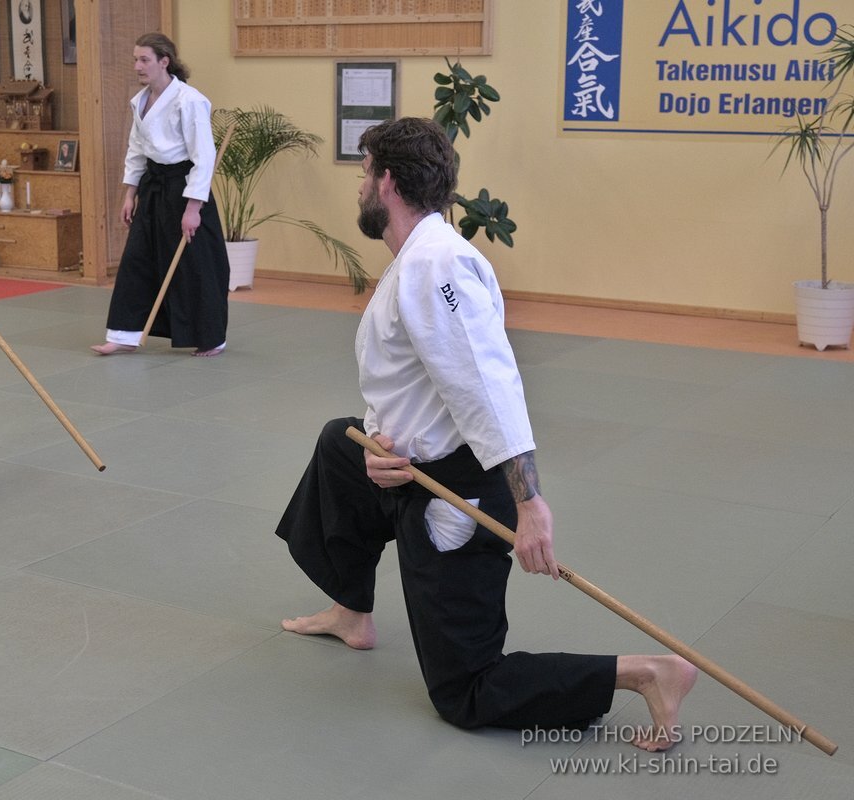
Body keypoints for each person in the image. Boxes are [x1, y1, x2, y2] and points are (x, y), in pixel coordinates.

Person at [275, 118, 697, 751]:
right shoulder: (419, 255)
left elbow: (487, 387)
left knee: (466, 690)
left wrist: (529, 504)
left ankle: (643, 673)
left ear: (386, 182)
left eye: (363, 172)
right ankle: (352, 611)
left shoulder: (434, 265)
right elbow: (424, 384)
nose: (359, 185)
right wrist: (388, 439)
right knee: (343, 443)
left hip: (460, 497)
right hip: (413, 467)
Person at [91, 33, 229, 358]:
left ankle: (211, 336)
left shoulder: (189, 99)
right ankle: (124, 333)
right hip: (154, 187)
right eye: (135, 59)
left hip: (184, 187)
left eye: (144, 60)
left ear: (164, 61)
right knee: (138, 257)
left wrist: (193, 208)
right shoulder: (140, 100)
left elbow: (203, 156)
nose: (137, 66)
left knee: (194, 265)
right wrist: (129, 194)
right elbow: (136, 150)